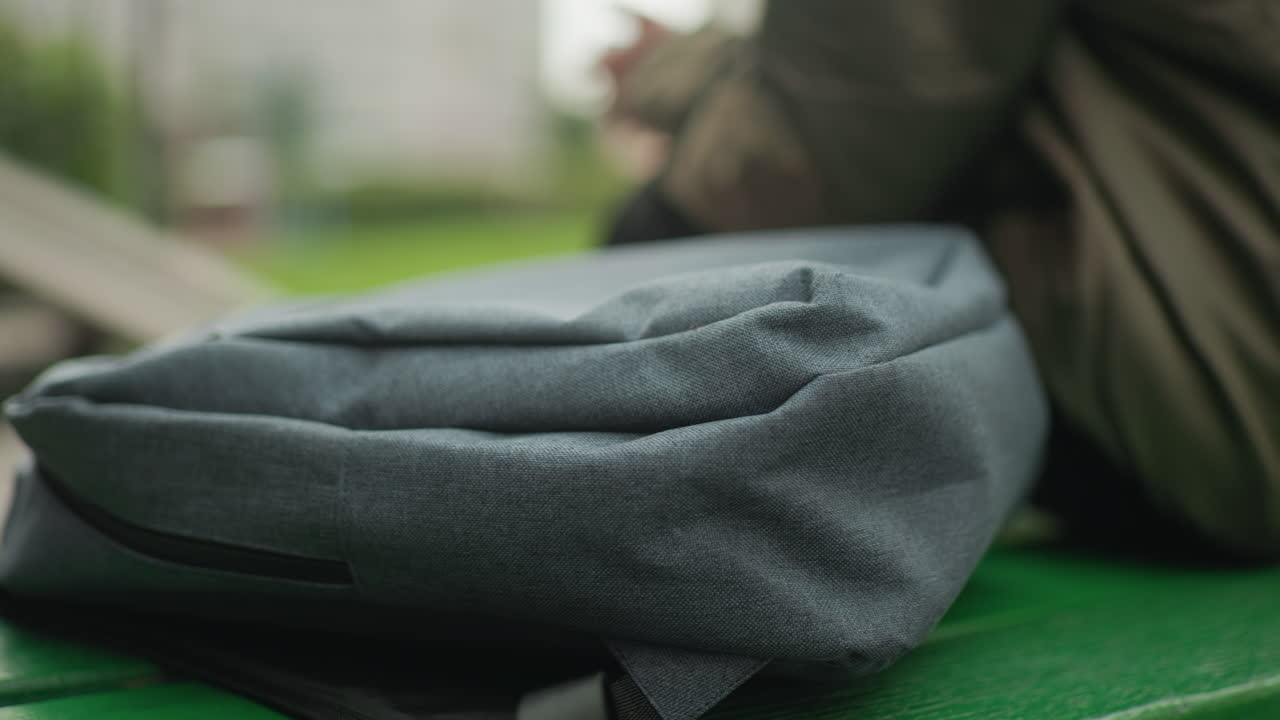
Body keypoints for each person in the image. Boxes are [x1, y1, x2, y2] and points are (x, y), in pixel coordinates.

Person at [600, 1, 1280, 558]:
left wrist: (661, 82)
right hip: (1234, 389)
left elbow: (823, 149)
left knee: (645, 243)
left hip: (1212, 429)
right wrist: (685, 66)